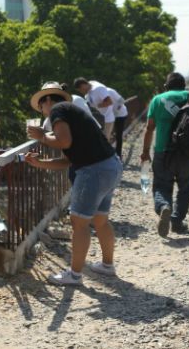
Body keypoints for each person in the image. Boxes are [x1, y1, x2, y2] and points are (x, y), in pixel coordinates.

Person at [25, 82, 123, 286]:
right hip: (110, 166)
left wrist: (42, 137)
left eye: (41, 107)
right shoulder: (72, 112)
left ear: (48, 100)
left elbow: (64, 143)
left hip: (94, 170)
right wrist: (40, 163)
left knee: (79, 223)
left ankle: (75, 275)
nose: (43, 113)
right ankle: (107, 265)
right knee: (100, 220)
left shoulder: (58, 110)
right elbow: (70, 158)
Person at [140, 72, 189, 237]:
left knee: (161, 185)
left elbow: (149, 128)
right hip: (187, 152)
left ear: (166, 86)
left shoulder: (157, 99)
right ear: (184, 86)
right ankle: (177, 222)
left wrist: (145, 152)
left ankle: (163, 207)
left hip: (163, 151)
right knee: (186, 188)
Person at [108, 87, 129, 159]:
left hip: (121, 115)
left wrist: (117, 110)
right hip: (112, 115)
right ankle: (111, 152)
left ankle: (118, 154)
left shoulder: (110, 91)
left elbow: (122, 100)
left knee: (118, 135)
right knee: (111, 133)